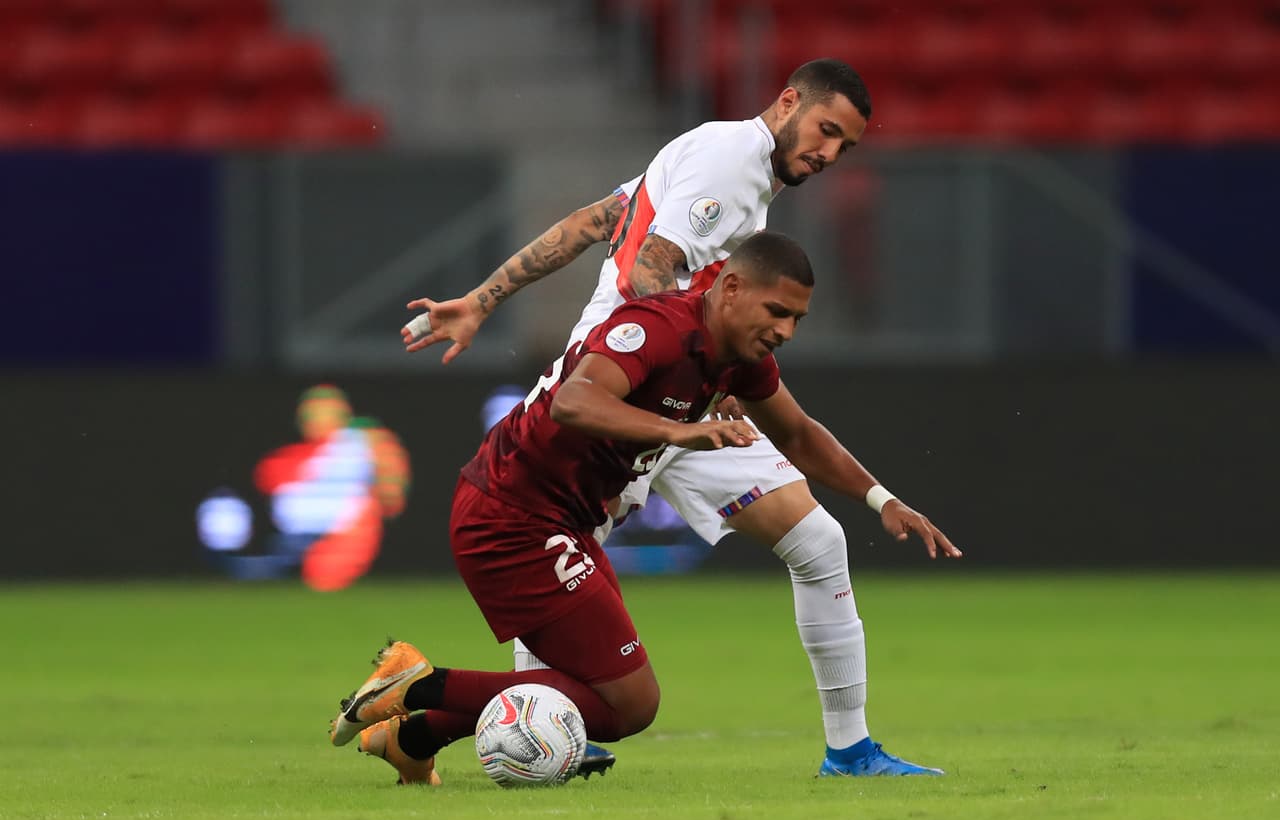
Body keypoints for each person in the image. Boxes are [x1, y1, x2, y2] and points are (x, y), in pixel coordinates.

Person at [398, 58, 939, 777]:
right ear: (787, 103)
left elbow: (596, 221)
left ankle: (849, 749)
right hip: (630, 384)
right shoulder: (730, 164)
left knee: (817, 540)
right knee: (564, 538)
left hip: (685, 392)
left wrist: (485, 296)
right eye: (826, 130)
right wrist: (685, 387)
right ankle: (542, 724)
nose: (830, 154)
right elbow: (649, 273)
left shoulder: (715, 159)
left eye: (846, 146)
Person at [330, 232, 960, 783]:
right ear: (732, 288)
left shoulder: (737, 357)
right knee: (629, 705)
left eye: (797, 320)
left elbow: (797, 434)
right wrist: (679, 431)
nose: (785, 332)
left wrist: (882, 499)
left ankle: (411, 739)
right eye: (777, 312)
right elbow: (573, 402)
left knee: (591, 692)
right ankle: (416, 683)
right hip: (512, 518)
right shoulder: (657, 329)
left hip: (559, 523)